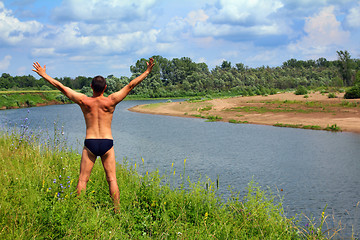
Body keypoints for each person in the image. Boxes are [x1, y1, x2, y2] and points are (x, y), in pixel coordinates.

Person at [32, 58, 155, 212]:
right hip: (106, 143)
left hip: (90, 143)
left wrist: (44, 74)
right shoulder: (111, 100)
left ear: (91, 87)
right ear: (106, 87)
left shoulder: (84, 101)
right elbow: (131, 85)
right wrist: (147, 71)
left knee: (83, 180)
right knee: (111, 179)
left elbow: (61, 87)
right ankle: (117, 211)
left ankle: (79, 210)